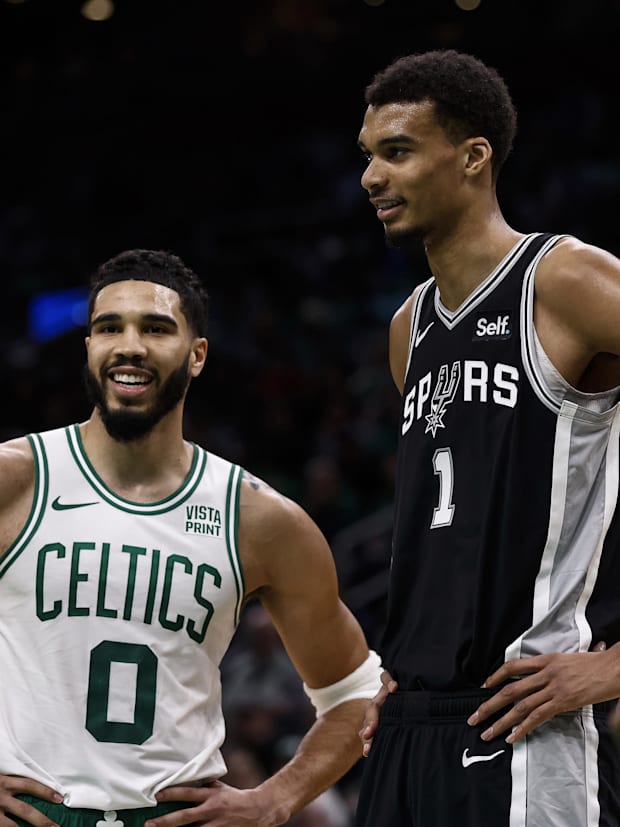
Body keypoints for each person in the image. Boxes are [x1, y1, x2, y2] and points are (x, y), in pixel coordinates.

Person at [0, 249, 383, 827]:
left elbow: (359, 692)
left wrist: (273, 801)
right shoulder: (15, 478)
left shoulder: (259, 518)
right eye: (109, 328)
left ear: (197, 354)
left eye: (156, 328)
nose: (129, 345)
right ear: (89, 348)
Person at [353, 48, 620, 826]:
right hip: (407, 727)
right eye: (367, 156)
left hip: (523, 723)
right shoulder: (409, 328)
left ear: (474, 157)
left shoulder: (565, 281)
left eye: (397, 152)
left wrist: (609, 667)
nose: (371, 177)